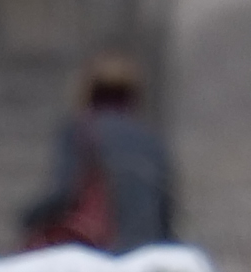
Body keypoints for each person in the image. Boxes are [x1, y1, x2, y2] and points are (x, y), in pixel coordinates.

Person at [17, 55, 171, 256]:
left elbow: (63, 195)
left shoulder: (81, 131)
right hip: (144, 253)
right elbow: (165, 211)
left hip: (100, 252)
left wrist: (29, 217)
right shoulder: (151, 140)